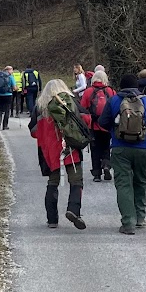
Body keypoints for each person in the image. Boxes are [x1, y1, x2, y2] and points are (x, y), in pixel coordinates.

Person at [96, 73, 146, 235]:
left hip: (120, 148)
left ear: (120, 86)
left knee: (123, 184)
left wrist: (116, 127)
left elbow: (102, 122)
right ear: (138, 86)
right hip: (143, 148)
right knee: (141, 181)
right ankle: (140, 218)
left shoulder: (114, 100)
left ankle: (128, 222)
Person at [30, 79, 88, 230]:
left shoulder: (40, 107)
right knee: (76, 181)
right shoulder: (71, 102)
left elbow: (33, 131)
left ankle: (52, 220)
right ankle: (73, 210)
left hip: (50, 151)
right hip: (70, 146)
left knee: (52, 183)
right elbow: (86, 119)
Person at [79, 72, 116, 182]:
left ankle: (97, 174)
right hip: (107, 125)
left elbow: (82, 109)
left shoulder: (88, 91)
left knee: (95, 149)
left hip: (93, 125)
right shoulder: (110, 91)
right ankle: (106, 164)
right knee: (106, 146)